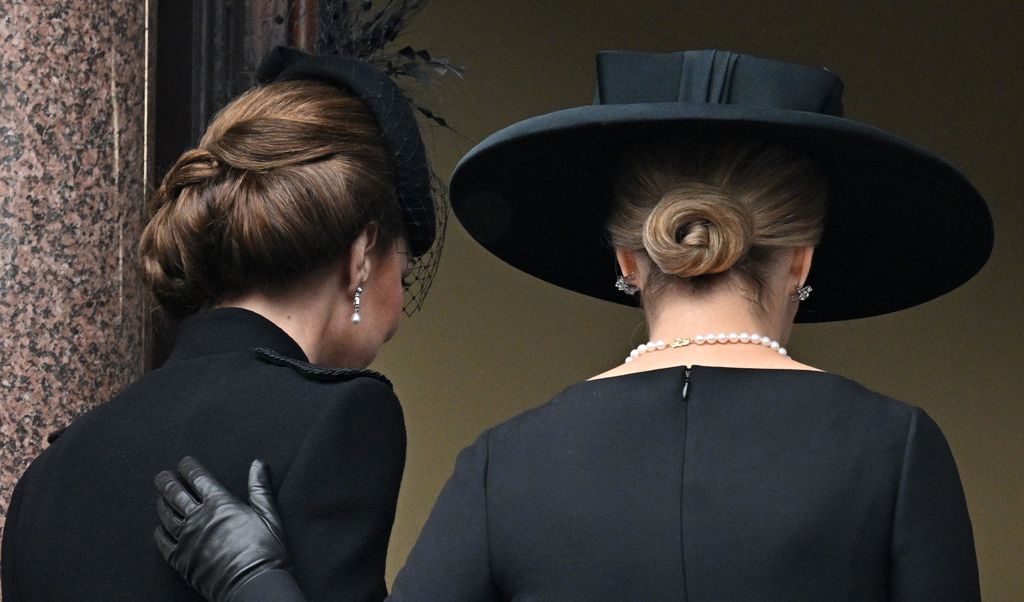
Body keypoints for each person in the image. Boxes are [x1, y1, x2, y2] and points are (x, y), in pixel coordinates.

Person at [152, 50, 991, 601]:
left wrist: (252, 577)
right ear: (802, 258)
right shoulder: (898, 450)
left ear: (628, 260)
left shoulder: (503, 466)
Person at [0, 40, 447, 602]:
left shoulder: (48, 471)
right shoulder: (344, 415)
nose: (397, 317)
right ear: (361, 255)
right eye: (402, 272)